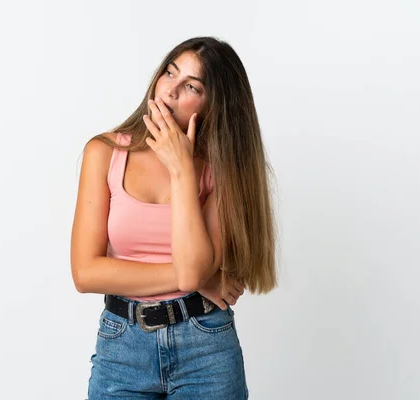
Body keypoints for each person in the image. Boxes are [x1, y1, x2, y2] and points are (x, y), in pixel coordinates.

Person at [70, 36, 278, 399]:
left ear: (215, 105)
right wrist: (200, 281)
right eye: (170, 72)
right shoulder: (103, 153)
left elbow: (192, 270)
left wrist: (182, 169)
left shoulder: (221, 170)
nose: (170, 90)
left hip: (205, 348)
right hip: (122, 348)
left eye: (191, 86)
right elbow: (86, 273)